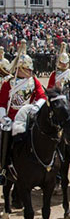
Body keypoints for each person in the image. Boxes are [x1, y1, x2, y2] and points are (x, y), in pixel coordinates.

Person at [0, 40, 47, 183]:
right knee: (5, 136)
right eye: (28, 69)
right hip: (12, 118)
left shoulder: (34, 81)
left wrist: (35, 108)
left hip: (29, 117)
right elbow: (2, 104)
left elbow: (42, 97)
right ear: (19, 69)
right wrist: (4, 118)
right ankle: (3, 166)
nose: (30, 72)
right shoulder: (8, 83)